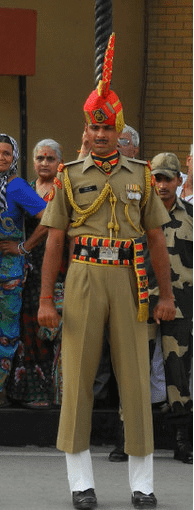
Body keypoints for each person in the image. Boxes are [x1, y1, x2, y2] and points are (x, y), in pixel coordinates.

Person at [38, 34, 175, 510]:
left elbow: (156, 239)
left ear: (119, 130)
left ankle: (142, 483)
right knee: (77, 379)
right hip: (83, 276)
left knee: (136, 380)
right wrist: (46, 299)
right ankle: (81, 483)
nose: (100, 136)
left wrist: (166, 295)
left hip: (132, 279)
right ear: (86, 130)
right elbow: (55, 241)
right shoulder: (70, 176)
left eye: (108, 130)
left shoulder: (141, 175)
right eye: (93, 130)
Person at [0, 133, 47, 407]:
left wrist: (24, 247)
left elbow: (48, 217)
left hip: (8, 272)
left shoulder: (16, 186)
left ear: (14, 157)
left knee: (4, 329)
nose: (0, 158)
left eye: (6, 153)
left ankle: (1, 389)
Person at [9, 139, 66, 409]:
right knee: (26, 327)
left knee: (52, 330)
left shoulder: (64, 189)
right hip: (26, 270)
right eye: (40, 158)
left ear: (59, 162)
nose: (44, 163)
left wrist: (24, 246)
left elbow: (51, 223)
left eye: (50, 158)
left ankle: (54, 392)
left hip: (57, 267)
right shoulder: (26, 189)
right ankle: (26, 391)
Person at [146, 152, 192, 464]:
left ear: (179, 180)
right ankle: (127, 439)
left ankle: (183, 441)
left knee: (179, 373)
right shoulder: (135, 214)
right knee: (135, 369)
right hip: (141, 303)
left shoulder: (191, 215)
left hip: (180, 304)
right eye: (156, 178)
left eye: (167, 178)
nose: (161, 184)